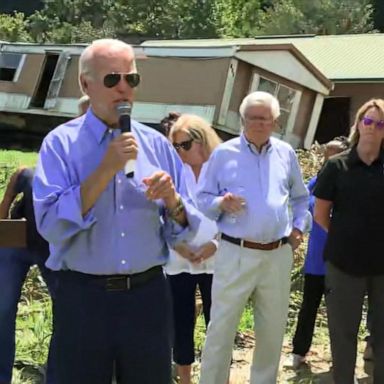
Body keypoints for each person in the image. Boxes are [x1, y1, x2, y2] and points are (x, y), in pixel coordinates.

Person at [32, 38, 203, 384]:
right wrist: (106, 167)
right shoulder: (60, 145)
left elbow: (187, 228)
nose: (124, 88)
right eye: (112, 79)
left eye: (132, 79)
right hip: (83, 297)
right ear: (86, 84)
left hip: (147, 296)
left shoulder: (156, 145)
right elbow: (49, 224)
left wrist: (172, 201)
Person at [197, 91, 310, 384]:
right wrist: (221, 203)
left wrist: (298, 227)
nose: (258, 124)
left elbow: (300, 198)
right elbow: (202, 198)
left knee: (272, 331)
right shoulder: (223, 153)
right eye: (252, 118)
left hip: (277, 254)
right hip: (236, 252)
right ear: (242, 120)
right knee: (221, 328)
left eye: (265, 118)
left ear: (275, 121)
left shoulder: (286, 153)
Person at [314, 98, 384, 384]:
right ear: (358, 124)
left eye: (380, 124)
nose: (373, 128)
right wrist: (346, 236)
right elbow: (320, 214)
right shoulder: (336, 166)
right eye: (368, 121)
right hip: (343, 263)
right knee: (342, 331)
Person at [166, 114, 222, 384]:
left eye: (184, 145)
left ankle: (218, 377)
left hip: (218, 258)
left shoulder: (223, 168)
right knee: (181, 321)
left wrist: (216, 244)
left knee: (219, 322)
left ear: (202, 140)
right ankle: (184, 378)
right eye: (175, 146)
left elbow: (238, 213)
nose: (180, 152)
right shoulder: (172, 171)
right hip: (179, 259)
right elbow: (160, 212)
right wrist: (177, 243)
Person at [291, 137, 349, 369]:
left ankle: (341, 360)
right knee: (308, 307)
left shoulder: (350, 181)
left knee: (341, 314)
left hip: (342, 261)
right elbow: (301, 205)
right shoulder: (317, 182)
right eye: (326, 155)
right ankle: (298, 352)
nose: (327, 160)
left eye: (333, 155)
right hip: (316, 259)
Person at [0, 167, 56, 384]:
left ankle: (56, 377)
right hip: (17, 240)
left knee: (66, 312)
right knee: (3, 308)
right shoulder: (33, 177)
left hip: (52, 247)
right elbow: (19, 175)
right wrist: (3, 218)